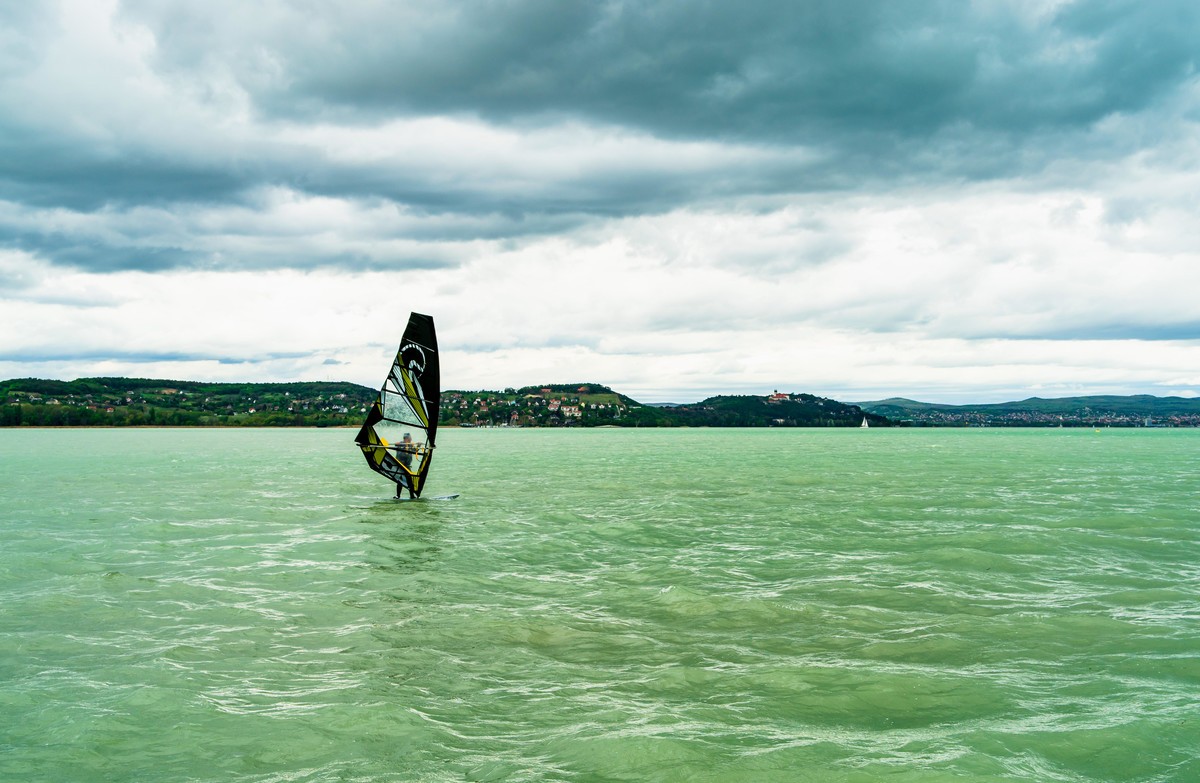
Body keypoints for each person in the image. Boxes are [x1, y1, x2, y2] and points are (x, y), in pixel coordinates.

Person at [395, 433, 418, 499]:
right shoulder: (400, 444)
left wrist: (418, 445)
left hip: (407, 466)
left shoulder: (411, 445)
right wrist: (400, 444)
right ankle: (398, 495)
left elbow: (415, 451)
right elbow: (395, 444)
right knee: (400, 481)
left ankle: (412, 495)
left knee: (410, 481)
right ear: (406, 438)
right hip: (400, 465)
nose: (411, 439)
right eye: (410, 438)